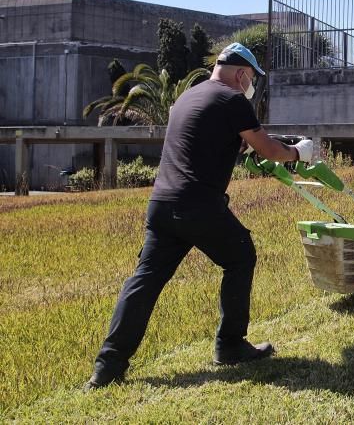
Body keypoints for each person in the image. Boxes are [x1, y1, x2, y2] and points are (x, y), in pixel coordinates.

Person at [85, 43, 313, 390]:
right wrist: (297, 152)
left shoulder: (187, 99)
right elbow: (268, 148)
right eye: (250, 79)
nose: (249, 86)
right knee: (241, 257)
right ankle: (230, 345)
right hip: (199, 204)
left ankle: (108, 366)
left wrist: (237, 145)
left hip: (162, 203)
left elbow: (201, 142)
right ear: (240, 74)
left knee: (144, 281)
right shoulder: (234, 100)